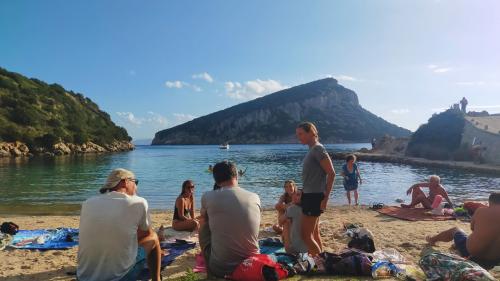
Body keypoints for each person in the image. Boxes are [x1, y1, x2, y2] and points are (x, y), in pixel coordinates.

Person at [77, 168, 162, 281]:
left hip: (82, 277)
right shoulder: (139, 202)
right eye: (135, 182)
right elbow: (145, 235)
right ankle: (157, 279)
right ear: (125, 182)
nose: (136, 187)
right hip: (120, 277)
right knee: (154, 237)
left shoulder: (87, 203)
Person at [199, 161, 261, 278]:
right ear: (236, 176)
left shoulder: (207, 196)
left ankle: (211, 275)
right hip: (253, 264)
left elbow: (204, 219)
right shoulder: (254, 196)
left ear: (216, 181)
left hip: (221, 268)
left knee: (203, 222)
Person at [426, 192, 500, 268]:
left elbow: (472, 228)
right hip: (495, 260)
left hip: (473, 254)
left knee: (455, 230)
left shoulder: (480, 211)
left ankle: (432, 239)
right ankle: (456, 245)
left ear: (489, 202)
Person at [296, 122, 336, 256]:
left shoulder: (318, 149)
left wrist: (326, 198)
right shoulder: (312, 149)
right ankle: (321, 258)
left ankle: (319, 264)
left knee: (305, 235)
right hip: (309, 195)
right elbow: (314, 177)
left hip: (314, 197)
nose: (299, 137)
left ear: (311, 133)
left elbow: (331, 173)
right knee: (314, 233)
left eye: (301, 134)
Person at [280, 189, 308, 254]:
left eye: (298, 195)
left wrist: (282, 206)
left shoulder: (293, 208)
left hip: (294, 250)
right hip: (309, 248)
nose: (294, 196)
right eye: (294, 194)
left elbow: (280, 221)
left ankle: (287, 247)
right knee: (289, 220)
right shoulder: (310, 209)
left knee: (285, 222)